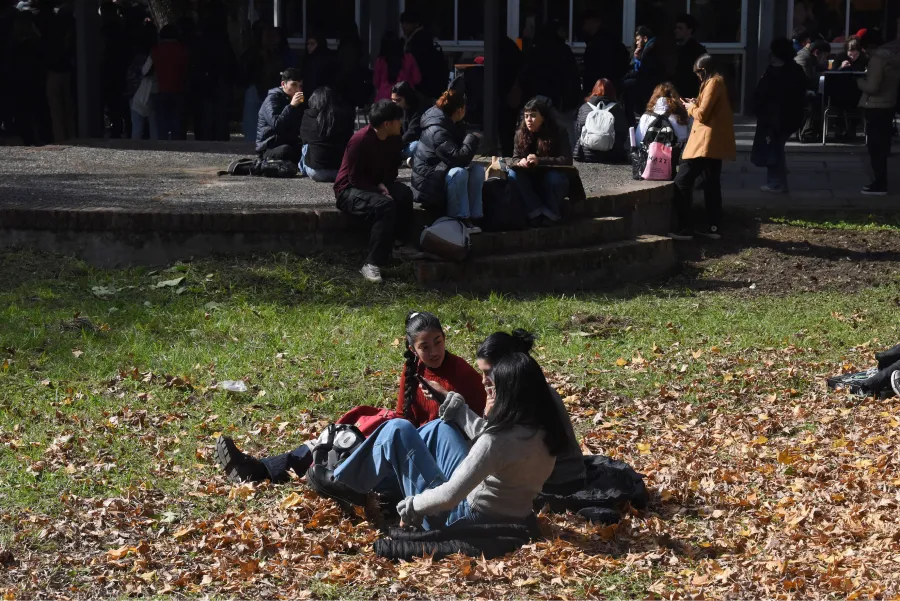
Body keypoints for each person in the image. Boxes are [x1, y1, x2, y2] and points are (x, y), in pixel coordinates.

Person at [213, 311, 487, 484]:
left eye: (438, 341)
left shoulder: (462, 373)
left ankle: (333, 479)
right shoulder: (412, 370)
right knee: (345, 435)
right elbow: (404, 417)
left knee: (358, 440)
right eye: (424, 346)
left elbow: (475, 432)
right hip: (411, 440)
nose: (434, 351)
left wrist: (444, 402)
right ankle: (263, 468)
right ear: (411, 348)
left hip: (436, 454)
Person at [331, 352, 569, 531]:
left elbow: (450, 496)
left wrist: (411, 505)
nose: (487, 387)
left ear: (511, 395)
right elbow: (496, 444)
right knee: (440, 428)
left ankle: (346, 484)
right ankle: (385, 470)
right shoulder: (543, 431)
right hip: (510, 511)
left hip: (461, 517)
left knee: (397, 428)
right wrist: (454, 403)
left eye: (494, 387)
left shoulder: (495, 442)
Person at [437, 329, 586, 495]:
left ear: (506, 368)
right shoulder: (533, 388)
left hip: (557, 482)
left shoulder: (520, 398)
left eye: (488, 372)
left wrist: (488, 414)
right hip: (566, 475)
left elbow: (490, 449)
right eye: (481, 372)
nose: (483, 380)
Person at [334, 100, 414, 284]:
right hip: (349, 190)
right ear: (387, 123)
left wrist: (383, 184)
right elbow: (354, 178)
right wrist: (377, 187)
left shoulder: (394, 139)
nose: (401, 123)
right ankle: (372, 263)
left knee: (404, 194)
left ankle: (400, 244)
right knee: (385, 205)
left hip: (377, 184)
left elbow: (392, 170)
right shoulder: (359, 140)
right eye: (398, 120)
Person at [670, 54, 736, 241]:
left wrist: (691, 107)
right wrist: (695, 102)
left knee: (682, 181)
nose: (698, 77)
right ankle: (713, 227)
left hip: (704, 142)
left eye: (698, 73)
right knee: (711, 185)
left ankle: (685, 229)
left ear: (704, 70)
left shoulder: (713, 83)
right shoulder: (721, 83)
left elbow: (703, 115)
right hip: (714, 143)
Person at [411, 90, 484, 231]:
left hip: (441, 174)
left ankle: (475, 218)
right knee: (459, 172)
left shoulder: (451, 123)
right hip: (428, 186)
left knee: (478, 171)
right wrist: (471, 138)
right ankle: (460, 219)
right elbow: (460, 160)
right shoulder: (437, 130)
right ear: (460, 110)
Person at [753, 38, 808, 194]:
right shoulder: (796, 70)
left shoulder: (774, 72)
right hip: (791, 117)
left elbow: (762, 94)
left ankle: (776, 182)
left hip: (775, 118)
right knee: (777, 147)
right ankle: (779, 177)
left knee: (774, 149)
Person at [510, 98, 572, 227]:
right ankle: (535, 212)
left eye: (533, 116)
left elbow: (566, 160)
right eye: (526, 116)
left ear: (543, 117)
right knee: (513, 174)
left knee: (553, 178)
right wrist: (520, 161)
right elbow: (514, 158)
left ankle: (551, 214)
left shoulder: (558, 132)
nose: (529, 120)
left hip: (553, 177)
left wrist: (540, 160)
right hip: (530, 177)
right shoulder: (520, 134)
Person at [520, 20, 583, 142]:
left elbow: (526, 75)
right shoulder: (564, 50)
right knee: (565, 132)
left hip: (538, 98)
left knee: (537, 131)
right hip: (559, 100)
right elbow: (571, 77)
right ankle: (569, 156)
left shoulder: (535, 50)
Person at [856, 30, 900, 195]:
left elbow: (873, 87)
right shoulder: (894, 58)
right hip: (889, 104)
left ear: (869, 46)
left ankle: (879, 183)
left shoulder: (877, 60)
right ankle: (881, 181)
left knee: (875, 148)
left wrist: (860, 82)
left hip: (875, 106)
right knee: (883, 146)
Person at [298, 86, 354, 182]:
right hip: (340, 171)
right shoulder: (344, 115)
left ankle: (303, 168)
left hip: (316, 172)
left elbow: (304, 139)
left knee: (306, 146)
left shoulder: (308, 116)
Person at [255, 67, 305, 162]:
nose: (298, 89)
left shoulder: (293, 100)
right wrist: (291, 107)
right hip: (269, 147)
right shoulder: (272, 99)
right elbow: (277, 125)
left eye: (300, 86)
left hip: (287, 142)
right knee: (286, 151)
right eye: (294, 85)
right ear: (283, 84)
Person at [574, 78, 629, 164]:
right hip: (612, 155)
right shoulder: (617, 109)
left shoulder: (584, 107)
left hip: (586, 153)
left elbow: (578, 130)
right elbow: (623, 133)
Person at [151, 24, 189, 140]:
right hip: (178, 89)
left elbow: (146, 69)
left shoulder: (156, 50)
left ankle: (163, 145)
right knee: (177, 121)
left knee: (161, 122)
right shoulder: (182, 50)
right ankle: (177, 144)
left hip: (159, 89)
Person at [580, 10, 630, 97]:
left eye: (586, 21)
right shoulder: (610, 40)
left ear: (596, 22)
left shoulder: (600, 42)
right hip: (610, 85)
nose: (584, 25)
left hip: (599, 85)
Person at [827, 36, 868, 140]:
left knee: (856, 107)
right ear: (846, 51)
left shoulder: (864, 58)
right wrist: (841, 67)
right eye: (850, 54)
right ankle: (839, 129)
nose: (853, 56)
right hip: (841, 90)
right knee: (838, 104)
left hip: (857, 91)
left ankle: (851, 129)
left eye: (856, 54)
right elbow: (831, 75)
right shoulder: (840, 56)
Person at [400, 10, 447, 100]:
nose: (404, 26)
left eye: (408, 23)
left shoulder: (419, 40)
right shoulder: (413, 38)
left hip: (424, 84)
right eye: (402, 23)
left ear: (416, 23)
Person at [622, 26, 665, 123]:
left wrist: (637, 60)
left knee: (626, 85)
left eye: (638, 40)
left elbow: (643, 71)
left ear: (645, 39)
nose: (636, 43)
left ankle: (630, 119)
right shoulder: (649, 47)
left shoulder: (651, 49)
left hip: (651, 82)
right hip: (650, 80)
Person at [795, 39, 831, 142]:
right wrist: (821, 75)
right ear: (816, 52)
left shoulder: (809, 56)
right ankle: (808, 132)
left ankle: (813, 131)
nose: (825, 59)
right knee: (816, 99)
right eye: (824, 56)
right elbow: (804, 80)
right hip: (796, 92)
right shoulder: (803, 58)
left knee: (820, 97)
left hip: (799, 90)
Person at [373, 31, 421, 103]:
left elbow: (376, 82)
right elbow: (417, 79)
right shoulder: (409, 58)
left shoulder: (380, 61)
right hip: (404, 100)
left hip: (383, 101)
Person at [673, 14, 707, 100]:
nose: (676, 31)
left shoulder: (698, 51)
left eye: (680, 28)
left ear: (689, 30)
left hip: (690, 95)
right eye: (676, 28)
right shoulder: (675, 49)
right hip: (676, 94)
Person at [391, 81, 426, 162]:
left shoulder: (419, 108)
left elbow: (412, 132)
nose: (395, 103)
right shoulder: (396, 108)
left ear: (406, 98)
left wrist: (395, 146)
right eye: (393, 100)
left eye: (398, 100)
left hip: (413, 141)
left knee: (415, 146)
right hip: (401, 142)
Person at [302, 31, 336, 98]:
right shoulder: (306, 60)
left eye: (312, 44)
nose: (309, 46)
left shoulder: (327, 60)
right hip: (308, 97)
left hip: (323, 97)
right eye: (308, 44)